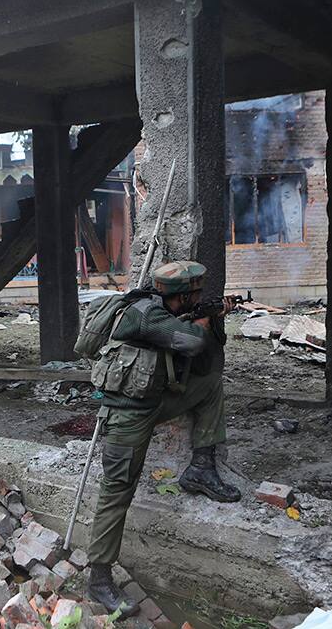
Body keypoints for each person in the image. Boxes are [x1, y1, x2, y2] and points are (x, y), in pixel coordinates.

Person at [85, 260, 239, 616]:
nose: (199, 298)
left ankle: (201, 468)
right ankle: (99, 578)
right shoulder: (145, 315)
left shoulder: (163, 308)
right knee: (116, 492)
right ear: (182, 297)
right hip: (126, 416)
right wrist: (205, 320)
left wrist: (213, 316)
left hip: (153, 400)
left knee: (210, 385)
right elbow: (190, 342)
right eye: (196, 295)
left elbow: (201, 354)